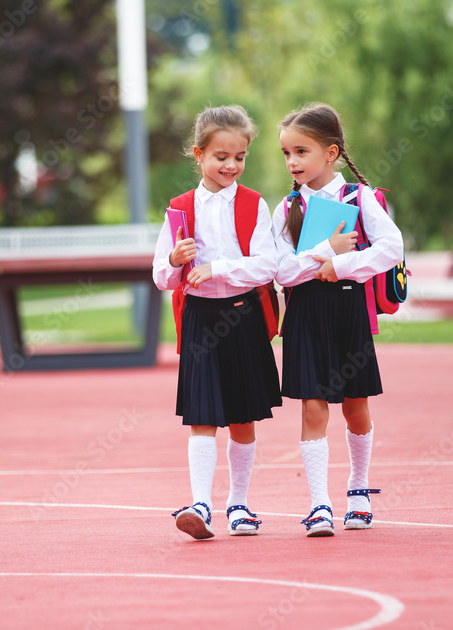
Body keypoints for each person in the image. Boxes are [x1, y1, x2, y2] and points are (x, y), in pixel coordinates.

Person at [272, 103, 403, 537]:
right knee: (312, 405)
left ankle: (359, 489)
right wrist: (326, 252)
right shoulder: (285, 209)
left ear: (331, 153)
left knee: (354, 405)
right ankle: (319, 505)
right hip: (305, 313)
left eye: (301, 152)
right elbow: (282, 272)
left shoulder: (359, 198)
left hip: (349, 309)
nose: (292, 162)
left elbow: (391, 249)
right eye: (287, 153)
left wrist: (342, 267)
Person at [153, 105, 282, 539]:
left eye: (239, 157)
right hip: (200, 320)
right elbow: (161, 276)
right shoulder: (179, 209)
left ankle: (239, 505)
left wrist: (220, 268)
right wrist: (174, 260)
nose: (231, 165)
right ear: (198, 154)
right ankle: (201, 505)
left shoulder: (254, 204)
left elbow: (268, 266)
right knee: (202, 417)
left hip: (244, 318)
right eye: (221, 157)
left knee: (243, 418)